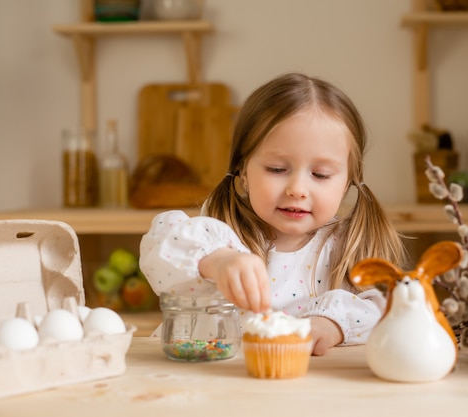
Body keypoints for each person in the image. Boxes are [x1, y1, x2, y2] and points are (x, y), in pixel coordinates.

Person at [139, 72, 406, 356]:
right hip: (211, 386)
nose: (297, 189)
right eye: (277, 169)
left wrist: (333, 324)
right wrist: (217, 261)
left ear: (347, 183)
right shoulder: (217, 234)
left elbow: (391, 309)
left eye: (320, 174)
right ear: (243, 170)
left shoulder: (348, 246)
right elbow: (161, 245)